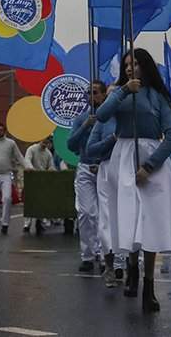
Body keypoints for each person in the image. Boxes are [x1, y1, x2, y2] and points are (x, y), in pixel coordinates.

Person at [95, 47, 171, 314]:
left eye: (135, 64)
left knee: (152, 225)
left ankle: (149, 286)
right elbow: (101, 115)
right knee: (131, 220)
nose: (131, 68)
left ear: (146, 66)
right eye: (127, 64)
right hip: (123, 157)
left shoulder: (158, 97)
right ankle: (132, 267)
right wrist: (122, 90)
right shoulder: (118, 93)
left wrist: (150, 165)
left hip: (151, 160)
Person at [66, 81, 110, 273]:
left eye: (95, 93)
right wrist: (85, 125)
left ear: (103, 95)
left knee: (103, 214)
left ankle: (103, 253)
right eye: (89, 93)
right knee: (86, 212)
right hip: (85, 167)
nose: (92, 97)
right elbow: (71, 145)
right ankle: (87, 255)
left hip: (105, 168)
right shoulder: (82, 118)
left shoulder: (110, 118)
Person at [88, 72, 123, 287]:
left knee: (129, 217)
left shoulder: (131, 118)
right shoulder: (102, 121)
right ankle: (110, 264)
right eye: (109, 96)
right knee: (107, 219)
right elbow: (92, 149)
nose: (113, 99)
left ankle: (128, 263)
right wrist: (112, 139)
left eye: (116, 95)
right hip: (107, 169)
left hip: (128, 171)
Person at [23, 135, 56, 234]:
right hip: (32, 178)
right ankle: (27, 224)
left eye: (47, 142)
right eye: (44, 141)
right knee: (30, 201)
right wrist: (30, 167)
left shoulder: (48, 153)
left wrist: (51, 169)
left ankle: (40, 221)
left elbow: (51, 165)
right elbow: (27, 159)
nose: (45, 144)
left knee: (41, 201)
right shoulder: (32, 149)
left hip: (42, 179)